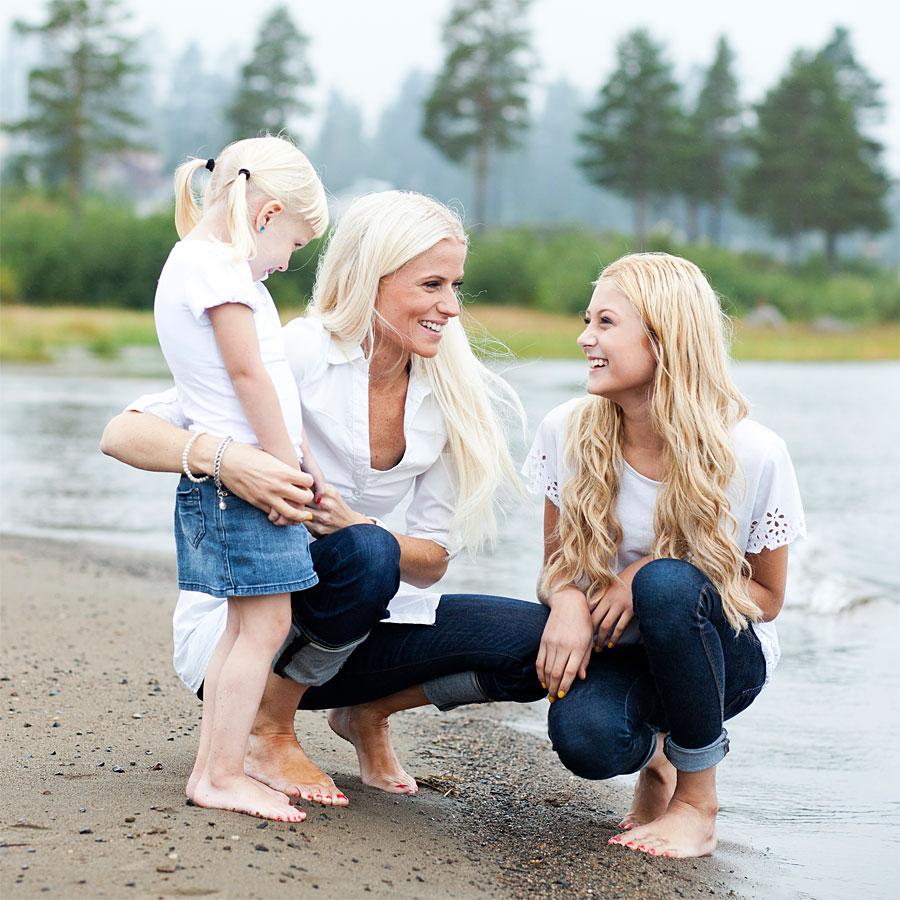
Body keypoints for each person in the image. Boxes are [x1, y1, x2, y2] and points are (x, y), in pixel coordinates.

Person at [101, 189, 549, 810]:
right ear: (373, 278)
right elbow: (122, 432)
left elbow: (434, 559)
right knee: (364, 553)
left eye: (455, 286)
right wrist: (233, 463)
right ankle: (266, 729)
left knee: (540, 648)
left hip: (366, 616)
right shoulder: (301, 350)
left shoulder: (448, 386)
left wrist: (357, 524)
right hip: (245, 640)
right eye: (431, 285)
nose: (450, 306)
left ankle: (365, 714)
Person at [522, 252, 804, 858]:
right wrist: (567, 596)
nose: (584, 337)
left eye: (604, 323)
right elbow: (554, 563)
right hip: (620, 646)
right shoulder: (565, 429)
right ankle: (658, 759)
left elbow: (768, 600)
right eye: (587, 319)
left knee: (668, 586)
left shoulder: (753, 451)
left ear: (663, 338)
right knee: (588, 742)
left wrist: (643, 574)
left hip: (725, 654)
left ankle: (697, 801)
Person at [153, 135, 332, 822]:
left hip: (238, 478)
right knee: (263, 626)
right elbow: (247, 374)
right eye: (291, 246)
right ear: (267, 213)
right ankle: (223, 772)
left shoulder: (200, 263)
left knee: (247, 626)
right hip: (245, 484)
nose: (285, 264)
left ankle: (213, 768)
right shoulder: (222, 271)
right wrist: (285, 461)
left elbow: (261, 376)